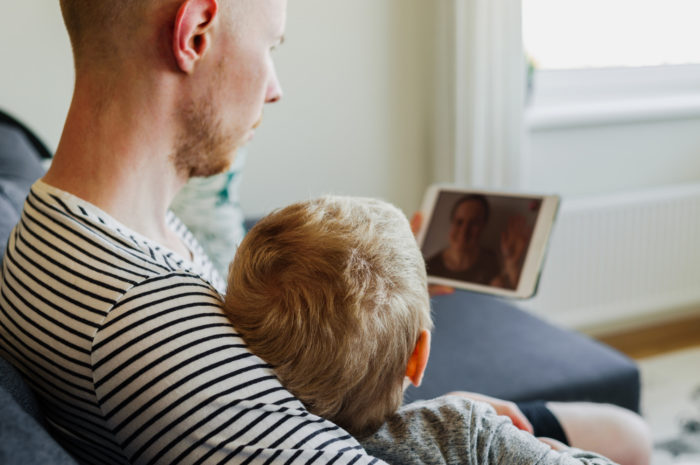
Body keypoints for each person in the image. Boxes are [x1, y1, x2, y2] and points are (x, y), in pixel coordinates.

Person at [0, 0, 650, 464]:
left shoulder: (72, 222)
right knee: (625, 442)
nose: (275, 88)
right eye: (271, 47)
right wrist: (463, 430)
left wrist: (378, 282)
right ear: (196, 31)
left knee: (626, 433)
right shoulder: (139, 318)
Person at [223, 195, 618, 464]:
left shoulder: (239, 437)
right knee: (627, 432)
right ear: (417, 358)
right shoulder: (459, 430)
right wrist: (548, 452)